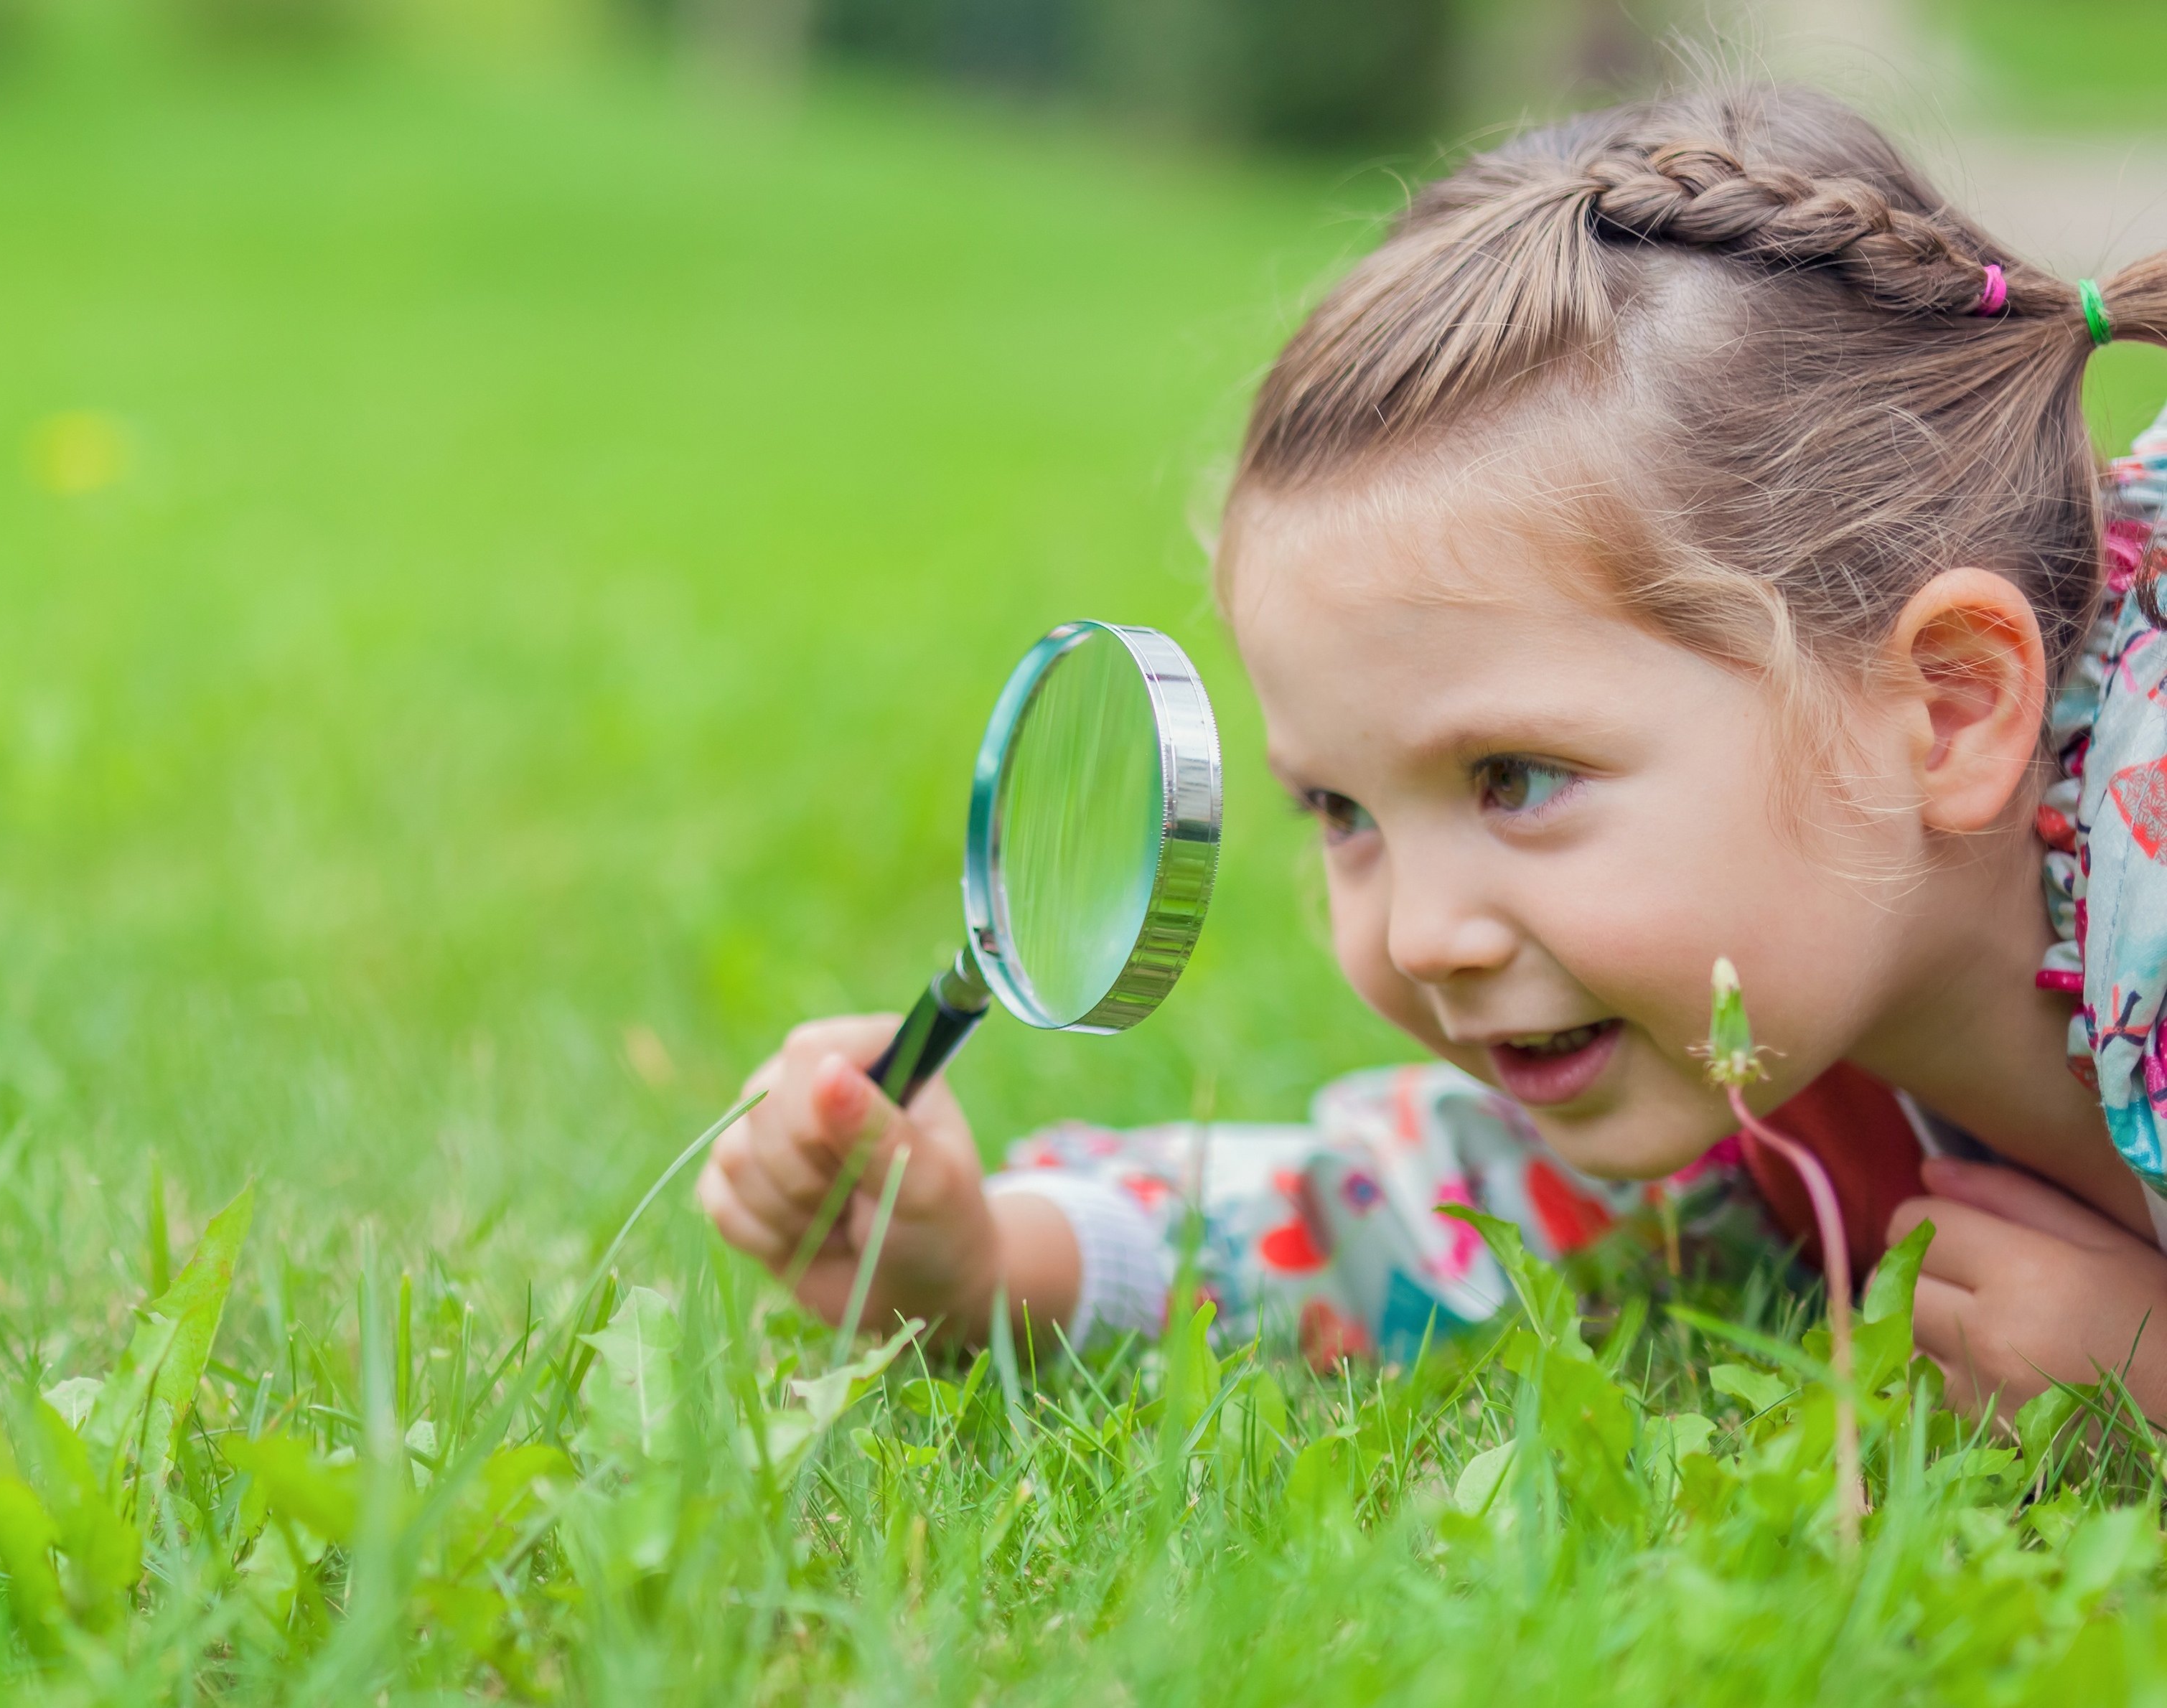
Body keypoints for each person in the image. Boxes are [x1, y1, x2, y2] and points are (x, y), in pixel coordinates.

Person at [695, 83, 2167, 1421]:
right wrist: (987, 1258)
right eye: (1339, 810)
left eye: (1515, 778)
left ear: (1949, 709)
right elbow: (1436, 1210)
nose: (1417, 933)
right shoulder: (1760, 1033)